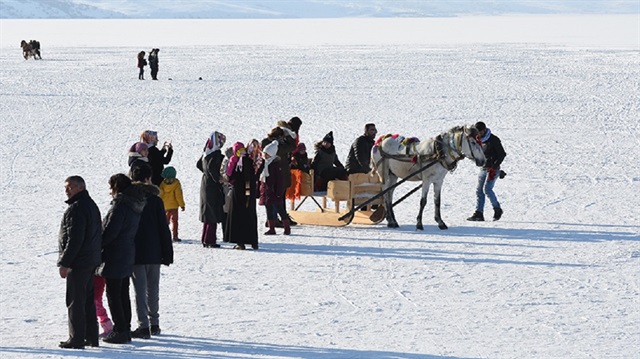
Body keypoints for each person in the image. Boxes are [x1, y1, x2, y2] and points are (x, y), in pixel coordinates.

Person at [98, 174, 145, 344]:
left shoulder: (120, 206)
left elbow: (111, 231)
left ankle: (120, 330)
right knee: (123, 292)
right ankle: (124, 326)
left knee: (114, 294)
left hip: (115, 254)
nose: (110, 191)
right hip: (126, 252)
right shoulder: (134, 204)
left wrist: (97, 244)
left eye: (111, 187)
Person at [57, 176, 102, 349]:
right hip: (90, 260)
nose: (67, 190)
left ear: (81, 187)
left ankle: (76, 339)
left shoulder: (77, 208)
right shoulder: (90, 205)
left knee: (75, 300)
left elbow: (75, 239)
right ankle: (91, 336)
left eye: (71, 187)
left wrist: (65, 263)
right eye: (66, 187)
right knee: (87, 300)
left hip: (79, 262)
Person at [130, 164, 174, 339]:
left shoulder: (129, 198)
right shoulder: (156, 200)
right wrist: (167, 252)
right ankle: (154, 323)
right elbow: (164, 228)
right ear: (149, 178)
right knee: (153, 289)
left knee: (139, 290)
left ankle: (143, 325)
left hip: (136, 250)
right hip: (154, 250)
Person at [467, 121, 507, 222]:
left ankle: (497, 209)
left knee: (487, 189)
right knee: (479, 191)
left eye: (480, 132)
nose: (478, 134)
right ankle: (479, 213)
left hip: (493, 169)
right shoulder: (477, 140)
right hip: (483, 168)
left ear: (484, 130)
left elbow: (502, 154)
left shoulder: (494, 139)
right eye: (477, 133)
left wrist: (494, 166)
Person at [223, 142, 260, 249]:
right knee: (250, 216)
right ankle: (253, 241)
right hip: (249, 193)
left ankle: (240, 242)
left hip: (238, 193)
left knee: (238, 216)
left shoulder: (235, 161)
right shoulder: (249, 160)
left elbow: (229, 176)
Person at [262, 126, 297, 227]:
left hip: (269, 176)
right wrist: (289, 135)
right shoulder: (279, 146)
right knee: (278, 199)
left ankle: (271, 220)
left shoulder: (265, 142)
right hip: (280, 176)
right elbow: (292, 146)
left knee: (271, 199)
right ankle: (278, 220)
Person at [197, 131, 226, 248]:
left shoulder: (206, 153)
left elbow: (199, 165)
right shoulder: (216, 154)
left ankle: (205, 238)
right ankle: (210, 240)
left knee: (208, 214)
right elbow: (211, 168)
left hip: (205, 184)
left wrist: (207, 174)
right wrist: (218, 179)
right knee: (213, 213)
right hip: (212, 187)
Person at [259, 141, 290, 235]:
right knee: (269, 210)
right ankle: (271, 228)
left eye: (267, 154)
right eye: (264, 153)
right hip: (266, 191)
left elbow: (279, 181)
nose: (265, 155)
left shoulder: (276, 165)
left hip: (274, 191)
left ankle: (287, 227)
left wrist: (278, 192)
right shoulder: (264, 163)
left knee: (280, 209)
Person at [159, 166, 185, 242]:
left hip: (165, 206)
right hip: (174, 206)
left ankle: (164, 235)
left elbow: (161, 194)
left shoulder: (162, 184)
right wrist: (182, 204)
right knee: (175, 222)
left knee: (166, 222)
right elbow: (178, 195)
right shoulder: (176, 183)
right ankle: (175, 236)